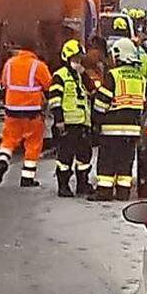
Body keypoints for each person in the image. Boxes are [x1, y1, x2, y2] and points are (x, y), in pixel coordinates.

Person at [89, 38, 146, 201]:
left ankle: (104, 192)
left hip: (111, 129)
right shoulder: (140, 77)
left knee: (107, 162)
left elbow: (101, 104)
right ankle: (123, 192)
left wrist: (96, 122)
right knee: (125, 163)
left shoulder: (113, 75)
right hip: (132, 131)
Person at [0, 41, 52, 187]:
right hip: (32, 111)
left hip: (12, 110)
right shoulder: (38, 66)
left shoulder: (9, 64)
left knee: (8, 140)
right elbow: (49, 85)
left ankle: (2, 160)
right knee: (33, 144)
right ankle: (27, 177)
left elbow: (3, 84)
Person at [48, 39, 93, 197]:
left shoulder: (79, 76)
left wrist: (84, 74)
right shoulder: (59, 76)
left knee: (84, 156)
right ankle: (63, 186)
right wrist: (59, 120)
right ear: (67, 58)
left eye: (80, 59)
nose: (78, 62)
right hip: (67, 124)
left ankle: (82, 184)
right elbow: (54, 99)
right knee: (65, 157)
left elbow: (92, 90)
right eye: (75, 59)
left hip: (82, 123)